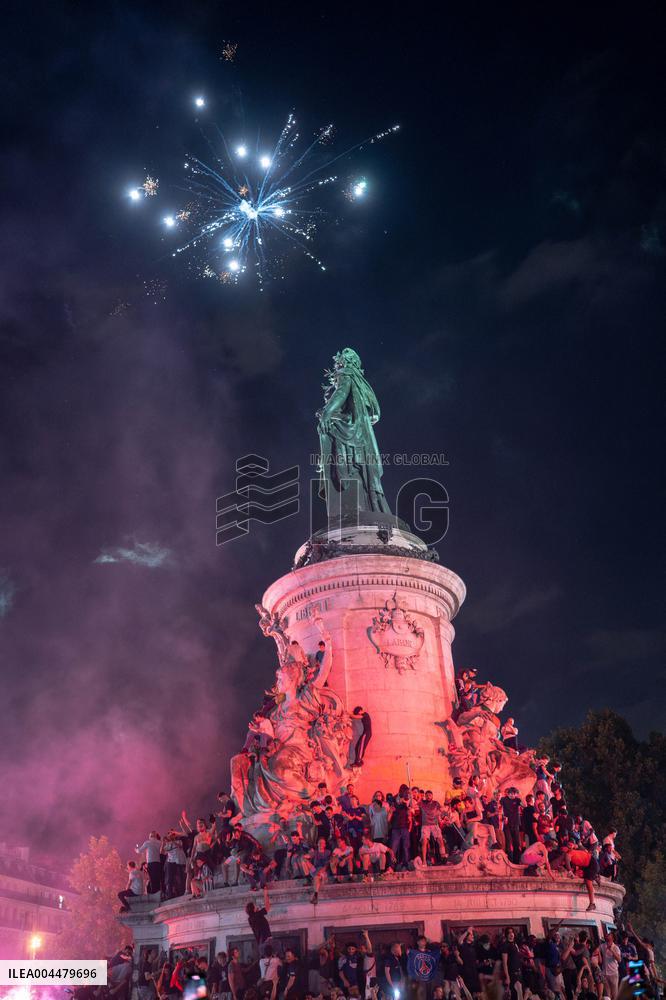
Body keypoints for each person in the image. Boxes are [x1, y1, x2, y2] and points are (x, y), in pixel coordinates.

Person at [561, 843, 599, 910]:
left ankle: (592, 904)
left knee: (588, 882)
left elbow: (567, 860)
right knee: (581, 876)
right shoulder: (572, 853)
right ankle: (595, 877)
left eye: (564, 848)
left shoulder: (570, 853)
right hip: (587, 865)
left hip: (591, 863)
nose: (563, 849)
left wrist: (569, 871)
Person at [407, 935, 440, 1000]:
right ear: (418, 942)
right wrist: (409, 953)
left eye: (424, 941)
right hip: (419, 978)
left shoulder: (429, 952)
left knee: (430, 994)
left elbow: (437, 950)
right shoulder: (414, 952)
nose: (423, 942)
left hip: (429, 978)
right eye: (421, 941)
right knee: (421, 995)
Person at [420, 791, 446, 864]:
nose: (428, 796)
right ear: (425, 796)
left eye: (430, 795)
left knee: (440, 839)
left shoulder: (436, 803)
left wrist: (444, 814)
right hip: (425, 825)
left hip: (434, 824)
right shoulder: (422, 803)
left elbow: (441, 810)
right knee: (424, 841)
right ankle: (424, 861)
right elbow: (414, 806)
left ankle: (443, 857)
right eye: (427, 795)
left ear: (432, 796)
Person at [390, 786, 412, 870]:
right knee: (394, 848)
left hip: (404, 827)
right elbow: (397, 804)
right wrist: (402, 800)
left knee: (406, 847)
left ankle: (405, 865)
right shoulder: (395, 798)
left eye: (406, 791)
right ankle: (392, 866)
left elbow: (409, 808)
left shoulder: (407, 798)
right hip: (396, 827)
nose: (405, 793)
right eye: (404, 791)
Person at [246, 887, 272, 954]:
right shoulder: (257, 915)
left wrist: (257, 911)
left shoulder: (250, 919)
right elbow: (268, 907)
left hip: (261, 942)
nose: (256, 906)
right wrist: (265, 894)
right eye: (255, 906)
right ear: (253, 909)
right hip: (265, 940)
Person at [500, 788, 522, 863]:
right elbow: (500, 808)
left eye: (514, 793)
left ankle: (516, 861)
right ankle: (509, 861)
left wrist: (520, 797)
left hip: (515, 823)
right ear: (508, 793)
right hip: (507, 823)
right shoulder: (503, 799)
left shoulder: (517, 800)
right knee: (508, 843)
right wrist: (503, 816)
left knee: (517, 843)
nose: (512, 795)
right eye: (511, 793)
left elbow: (524, 805)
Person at [500, 927, 522, 1000]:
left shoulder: (515, 944)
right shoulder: (505, 945)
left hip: (518, 971)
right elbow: (504, 963)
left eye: (512, 932)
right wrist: (507, 976)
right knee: (515, 993)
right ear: (506, 935)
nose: (511, 934)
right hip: (512, 973)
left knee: (520, 993)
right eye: (509, 933)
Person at [599, 932, 621, 1000]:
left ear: (612, 938)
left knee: (615, 994)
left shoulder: (616, 947)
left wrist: (611, 950)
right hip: (605, 974)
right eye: (607, 935)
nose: (607, 936)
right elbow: (597, 952)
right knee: (607, 996)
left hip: (613, 973)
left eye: (609, 935)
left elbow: (619, 959)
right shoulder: (602, 946)